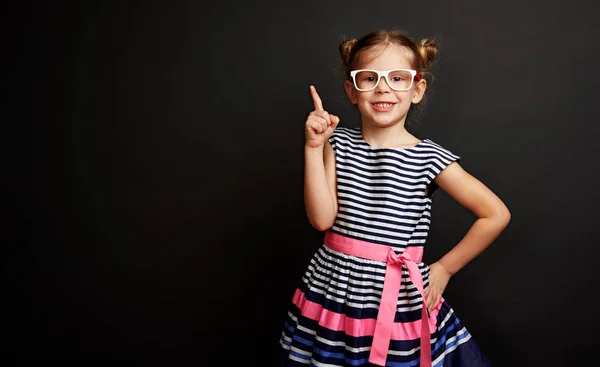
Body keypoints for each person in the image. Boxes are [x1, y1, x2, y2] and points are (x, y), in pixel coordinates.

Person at [278, 29, 511, 367]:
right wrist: (314, 149)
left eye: (397, 78)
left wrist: (444, 269)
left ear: (417, 90)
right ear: (352, 90)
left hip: (395, 297)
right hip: (333, 291)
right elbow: (321, 219)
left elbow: (495, 214)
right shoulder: (337, 144)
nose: (383, 88)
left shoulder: (430, 158)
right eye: (369, 78)